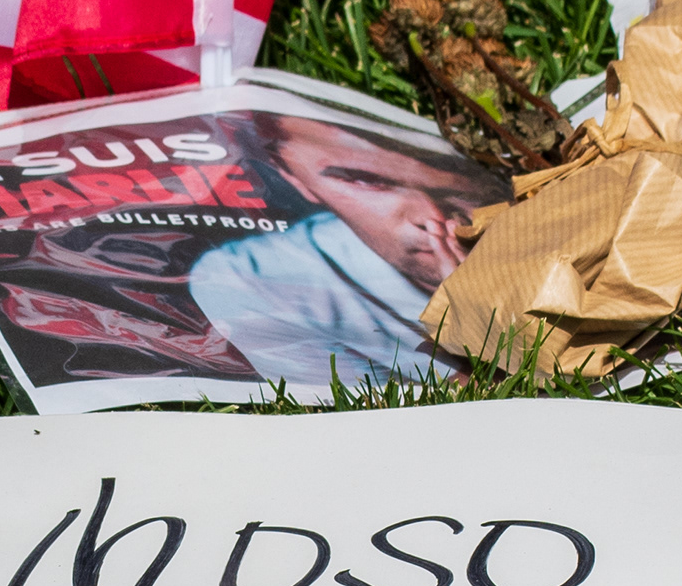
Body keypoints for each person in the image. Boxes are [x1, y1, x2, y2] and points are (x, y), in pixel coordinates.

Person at [186, 113, 500, 391]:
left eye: (458, 186)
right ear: (291, 175)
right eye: (364, 180)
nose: (431, 217)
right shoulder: (251, 278)